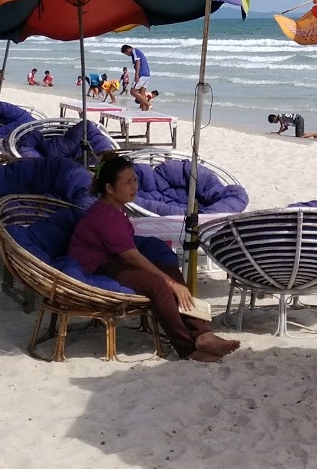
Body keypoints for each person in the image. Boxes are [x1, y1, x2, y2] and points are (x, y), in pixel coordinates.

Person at [68, 154, 241, 363]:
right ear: (109, 188)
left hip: (114, 260)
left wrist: (173, 281)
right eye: (128, 182)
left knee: (171, 271)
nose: (134, 186)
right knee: (159, 284)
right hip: (96, 267)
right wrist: (170, 284)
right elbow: (131, 256)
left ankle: (203, 334)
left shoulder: (117, 207)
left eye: (135, 180)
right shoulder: (105, 214)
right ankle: (187, 347)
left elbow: (128, 252)